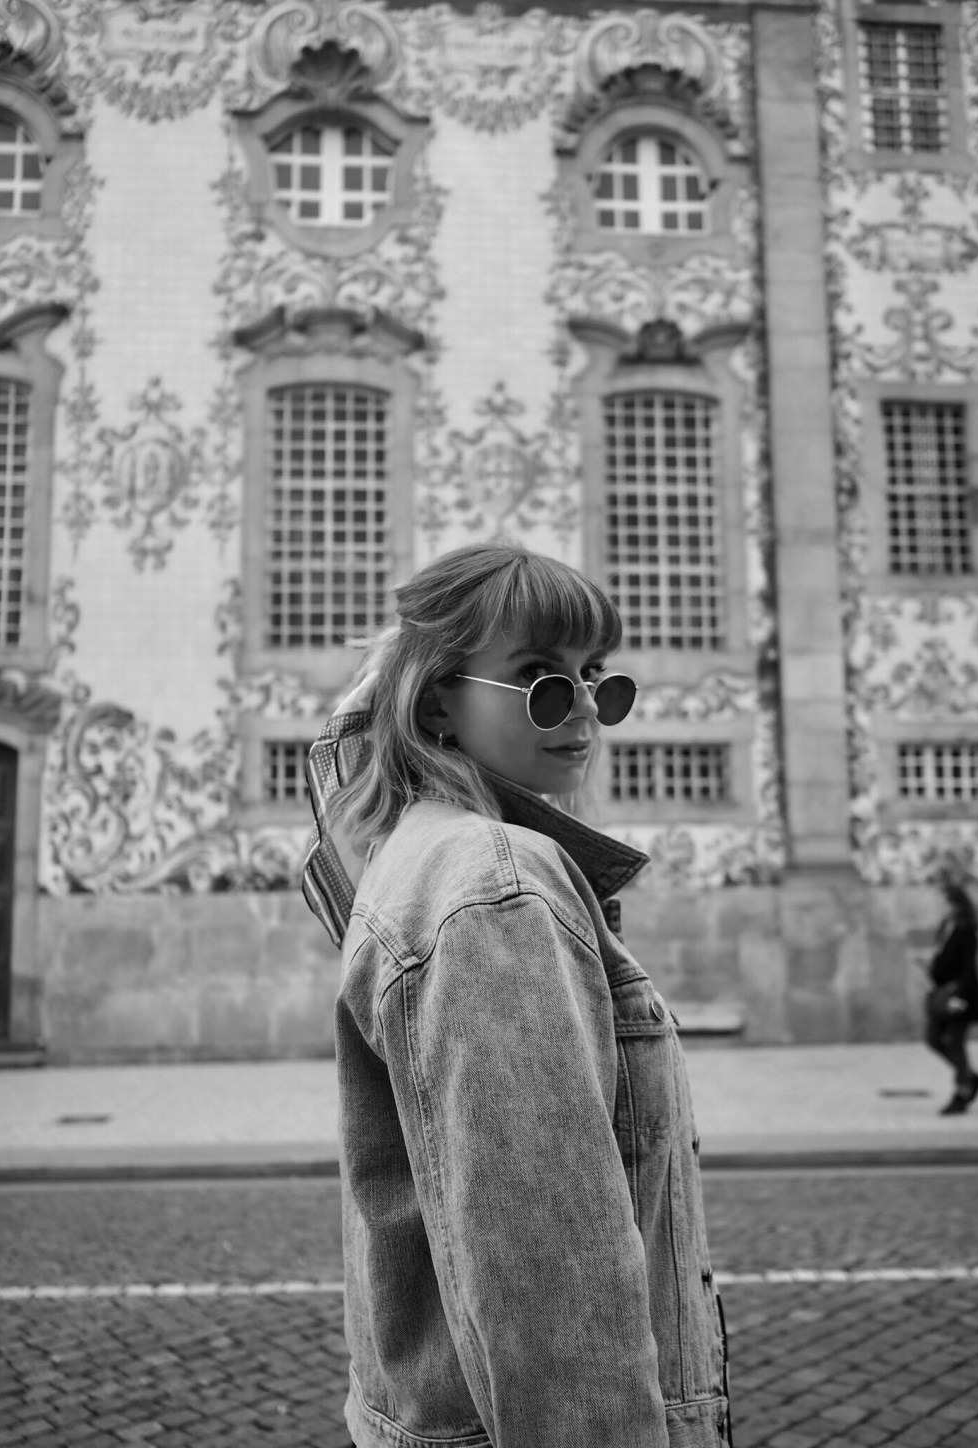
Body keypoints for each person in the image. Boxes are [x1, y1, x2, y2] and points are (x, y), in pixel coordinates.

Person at [303, 543, 731, 1448]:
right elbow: (550, 1280)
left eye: (597, 680)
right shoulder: (496, 885)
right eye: (541, 682)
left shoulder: (421, 852)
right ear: (438, 705)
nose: (583, 712)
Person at [925, 876, 978, 1116]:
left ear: (956, 904)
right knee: (933, 1039)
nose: (939, 907)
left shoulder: (966, 929)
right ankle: (971, 1078)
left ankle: (962, 1093)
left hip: (959, 995)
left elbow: (969, 968)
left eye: (943, 902)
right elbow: (944, 960)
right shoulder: (945, 927)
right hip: (940, 993)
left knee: (955, 1043)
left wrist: (961, 998)